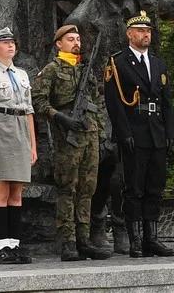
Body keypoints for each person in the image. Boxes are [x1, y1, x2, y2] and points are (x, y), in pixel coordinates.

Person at [66, 0, 174, 253]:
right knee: (108, 160)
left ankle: (127, 227)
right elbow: (71, 62)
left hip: (142, 94)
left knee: (141, 164)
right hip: (101, 94)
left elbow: (173, 4)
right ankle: (99, 221)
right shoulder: (84, 16)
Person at [32, 24, 113, 261]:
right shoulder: (52, 70)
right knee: (68, 189)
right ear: (59, 44)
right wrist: (60, 117)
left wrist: (100, 135)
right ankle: (68, 242)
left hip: (89, 135)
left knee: (88, 189)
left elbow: (97, 103)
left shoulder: (85, 70)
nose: (76, 42)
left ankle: (84, 239)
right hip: (67, 139)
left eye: (78, 39)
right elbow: (38, 101)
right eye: (70, 39)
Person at [104, 11, 174, 258]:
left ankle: (152, 239)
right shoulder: (118, 62)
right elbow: (114, 102)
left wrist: (169, 132)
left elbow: (167, 102)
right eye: (141, 31)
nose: (146, 35)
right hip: (134, 131)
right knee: (134, 188)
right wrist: (124, 133)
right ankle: (135, 240)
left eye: (148, 31)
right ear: (129, 34)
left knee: (155, 187)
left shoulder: (158, 63)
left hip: (156, 131)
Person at [0, 27, 38, 264]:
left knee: (17, 193)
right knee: (0, 192)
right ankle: (2, 246)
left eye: (12, 42)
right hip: (0, 130)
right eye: (5, 43)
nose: (11, 46)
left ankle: (15, 244)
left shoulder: (22, 74)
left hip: (20, 129)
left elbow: (29, 110)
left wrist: (33, 144)